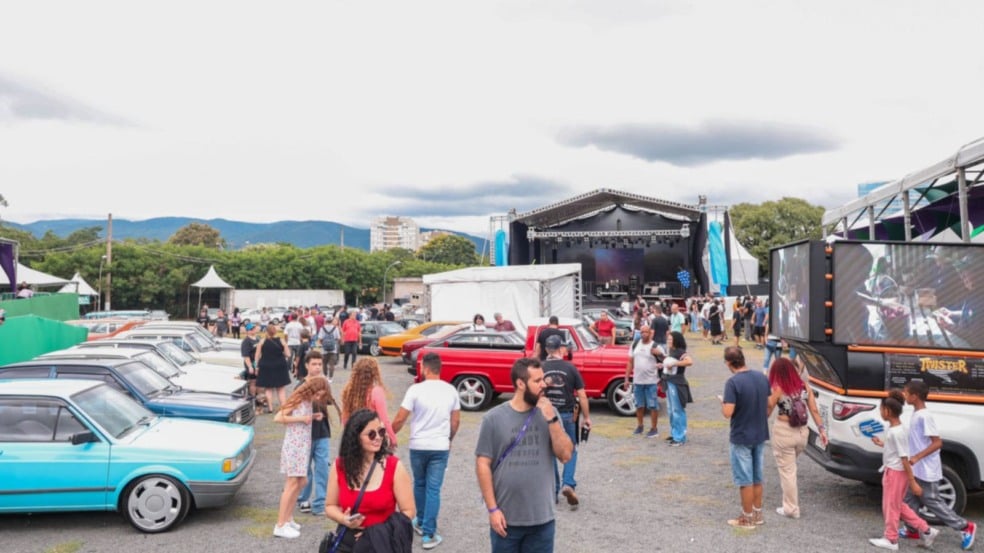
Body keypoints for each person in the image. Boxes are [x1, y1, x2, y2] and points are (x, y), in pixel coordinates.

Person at [475, 357, 574, 553]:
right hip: (506, 520)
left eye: (543, 379)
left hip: (542, 521)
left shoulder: (550, 413)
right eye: (537, 381)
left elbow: (565, 456)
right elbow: (482, 464)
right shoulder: (493, 419)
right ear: (520, 384)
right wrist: (492, 509)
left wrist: (552, 419)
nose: (543, 384)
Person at [391, 352, 461, 549]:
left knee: (419, 483)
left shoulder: (415, 390)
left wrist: (389, 434)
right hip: (440, 446)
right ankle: (429, 534)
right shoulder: (451, 390)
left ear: (425, 368)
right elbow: (455, 421)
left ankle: (421, 521)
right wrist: (449, 439)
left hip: (418, 445)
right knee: (433, 488)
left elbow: (400, 418)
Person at [324, 409, 416, 552]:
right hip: (347, 543)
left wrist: (375, 533)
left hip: (381, 544)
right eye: (371, 434)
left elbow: (409, 511)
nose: (378, 437)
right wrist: (344, 519)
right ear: (356, 437)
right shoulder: (340, 466)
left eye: (381, 432)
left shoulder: (394, 467)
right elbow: (330, 506)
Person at [900, 380, 976, 550]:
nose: (904, 395)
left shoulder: (924, 416)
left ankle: (965, 527)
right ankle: (912, 528)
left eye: (906, 393)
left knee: (932, 501)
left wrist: (917, 457)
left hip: (926, 469)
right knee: (910, 499)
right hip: (917, 468)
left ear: (915, 396)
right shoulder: (916, 414)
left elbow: (937, 443)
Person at [867, 390, 938, 550]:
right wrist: (881, 443)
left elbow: (904, 457)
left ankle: (891, 539)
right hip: (895, 472)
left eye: (881, 409)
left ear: (887, 411)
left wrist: (913, 482)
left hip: (895, 473)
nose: (880, 412)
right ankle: (926, 530)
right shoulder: (898, 429)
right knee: (898, 505)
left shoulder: (896, 432)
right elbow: (897, 449)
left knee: (890, 507)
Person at [767, 358, 827, 519]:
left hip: (784, 432)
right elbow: (814, 409)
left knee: (788, 471)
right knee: (790, 468)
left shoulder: (778, 388)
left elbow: (767, 410)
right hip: (802, 433)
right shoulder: (804, 386)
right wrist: (822, 430)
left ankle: (791, 508)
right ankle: (789, 503)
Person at [720, 346, 771, 529]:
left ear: (728, 363)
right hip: (760, 432)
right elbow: (768, 403)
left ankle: (746, 518)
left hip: (741, 435)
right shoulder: (761, 377)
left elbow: (728, 412)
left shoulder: (733, 383)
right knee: (757, 477)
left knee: (745, 480)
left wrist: (723, 402)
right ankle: (757, 513)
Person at [272, 376, 329, 538]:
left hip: (303, 445)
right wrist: (302, 418)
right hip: (295, 446)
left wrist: (313, 416)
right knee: (291, 483)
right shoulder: (298, 398)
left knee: (302, 481)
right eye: (317, 394)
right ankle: (280, 524)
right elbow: (278, 417)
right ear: (312, 390)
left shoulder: (308, 401)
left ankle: (288, 518)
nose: (318, 398)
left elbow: (302, 417)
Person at [542, 334, 591, 511]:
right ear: (561, 349)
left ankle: (553, 490)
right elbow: (582, 395)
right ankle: (568, 483)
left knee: (549, 452)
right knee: (571, 449)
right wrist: (587, 417)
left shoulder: (540, 367)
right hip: (568, 414)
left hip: (546, 415)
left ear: (546, 349)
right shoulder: (570, 368)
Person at [297, 351, 342, 517]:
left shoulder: (324, 384)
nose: (317, 367)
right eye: (314, 364)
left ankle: (320, 502)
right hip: (304, 434)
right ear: (306, 365)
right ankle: (303, 498)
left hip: (322, 432)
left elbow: (329, 402)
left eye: (319, 364)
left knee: (322, 467)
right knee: (305, 468)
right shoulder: (300, 386)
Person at [342, 357, 398, 446]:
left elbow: (345, 419)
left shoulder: (349, 391)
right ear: (374, 374)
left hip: (355, 438)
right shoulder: (376, 392)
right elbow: (384, 419)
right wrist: (393, 438)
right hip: (372, 437)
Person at [623, 324, 661, 437]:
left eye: (646, 332)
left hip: (651, 381)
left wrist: (659, 354)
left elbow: (664, 360)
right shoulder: (635, 344)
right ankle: (640, 426)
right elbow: (630, 362)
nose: (644, 334)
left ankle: (654, 428)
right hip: (637, 381)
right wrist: (626, 378)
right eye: (642, 332)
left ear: (650, 333)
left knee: (653, 406)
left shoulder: (655, 346)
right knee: (639, 405)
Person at [660, 331, 693, 446]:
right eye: (668, 339)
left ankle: (680, 437)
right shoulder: (671, 351)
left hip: (676, 383)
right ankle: (675, 433)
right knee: (671, 410)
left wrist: (675, 364)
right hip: (668, 382)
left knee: (677, 410)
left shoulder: (680, 352)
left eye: (670, 339)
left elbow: (689, 361)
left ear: (676, 340)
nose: (668, 341)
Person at [255, 323, 292, 413]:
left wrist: (256, 367)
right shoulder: (282, 341)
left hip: (266, 366)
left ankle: (270, 408)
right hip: (280, 365)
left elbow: (257, 356)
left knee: (268, 388)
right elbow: (288, 354)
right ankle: (283, 407)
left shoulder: (262, 341)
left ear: (266, 331)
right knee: (281, 388)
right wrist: (282, 353)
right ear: (275, 331)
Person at [240, 323, 263, 407]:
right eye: (251, 329)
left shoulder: (258, 338)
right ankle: (253, 399)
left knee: (260, 381)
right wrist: (250, 366)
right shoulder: (246, 341)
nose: (253, 330)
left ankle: (259, 399)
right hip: (251, 363)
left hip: (259, 363)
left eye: (254, 328)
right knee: (253, 381)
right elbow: (246, 356)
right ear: (248, 331)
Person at [318, 315, 342, 382]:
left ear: (326, 320)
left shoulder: (322, 328)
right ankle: (330, 378)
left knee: (324, 363)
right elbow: (338, 338)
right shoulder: (335, 328)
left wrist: (323, 344)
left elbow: (320, 338)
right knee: (332, 364)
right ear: (332, 321)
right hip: (333, 349)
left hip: (324, 349)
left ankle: (325, 376)